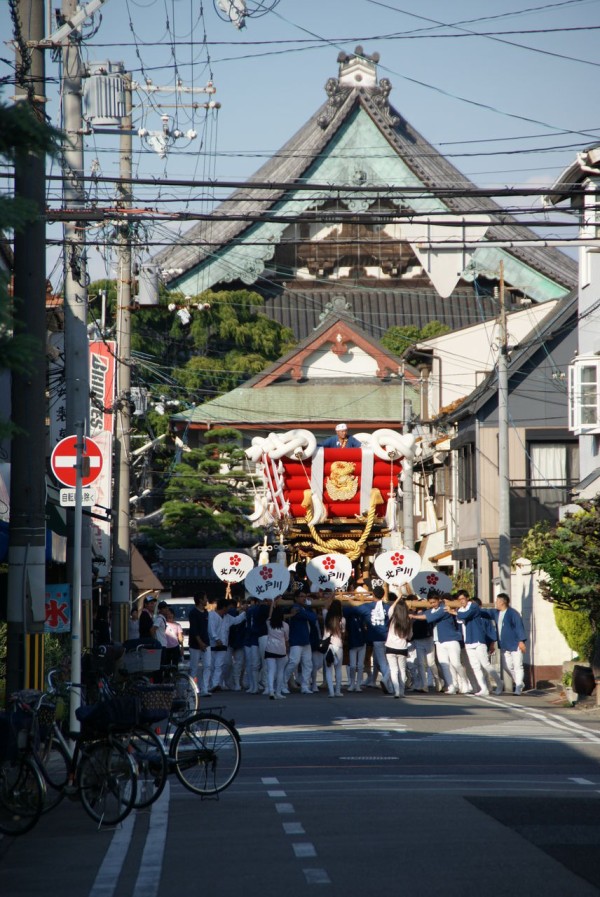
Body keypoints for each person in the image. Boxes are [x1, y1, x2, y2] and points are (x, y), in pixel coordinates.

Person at [411, 593, 471, 694]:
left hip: (451, 639)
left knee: (456, 663)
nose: (433, 604)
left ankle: (466, 683)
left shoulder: (444, 609)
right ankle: (452, 686)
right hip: (439, 641)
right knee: (444, 665)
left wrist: (413, 616)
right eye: (430, 603)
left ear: (439, 600)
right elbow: (427, 614)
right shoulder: (431, 611)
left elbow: (426, 617)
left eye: (434, 602)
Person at [448, 590, 502, 696]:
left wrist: (453, 612)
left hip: (478, 639)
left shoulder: (473, 606)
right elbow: (461, 617)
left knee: (485, 664)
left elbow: (465, 615)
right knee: (475, 666)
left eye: (463, 599)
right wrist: (455, 611)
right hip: (468, 640)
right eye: (459, 600)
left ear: (467, 598)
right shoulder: (461, 609)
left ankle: (499, 683)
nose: (461, 601)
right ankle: (483, 688)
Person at [352, 585, 393, 693]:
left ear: (373, 595)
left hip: (377, 638)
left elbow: (352, 609)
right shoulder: (387, 607)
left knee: (383, 663)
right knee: (384, 661)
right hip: (388, 637)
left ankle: (388, 683)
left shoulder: (367, 606)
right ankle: (378, 681)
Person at [208, 597, 247, 692]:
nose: (229, 610)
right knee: (211, 665)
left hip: (224, 644)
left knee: (219, 665)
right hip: (213, 644)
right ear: (224, 607)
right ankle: (211, 684)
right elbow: (211, 629)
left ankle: (216, 684)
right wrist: (216, 638)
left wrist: (244, 612)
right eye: (228, 608)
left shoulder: (227, 617)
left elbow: (237, 620)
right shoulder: (212, 615)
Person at [492, 592, 527, 695]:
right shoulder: (496, 613)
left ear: (504, 602)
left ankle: (518, 688)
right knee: (507, 666)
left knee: (518, 666)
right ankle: (519, 682)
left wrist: (521, 641)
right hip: (504, 645)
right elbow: (484, 612)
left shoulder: (513, 613)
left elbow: (519, 627)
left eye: (498, 601)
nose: (496, 603)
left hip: (515, 644)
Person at [283, 592, 318, 694]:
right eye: (302, 596)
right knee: (293, 662)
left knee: (308, 664)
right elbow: (312, 617)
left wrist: (308, 610)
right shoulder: (295, 608)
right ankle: (283, 684)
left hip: (306, 640)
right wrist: (308, 610)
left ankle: (305, 686)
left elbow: (313, 617)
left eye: (305, 596)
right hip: (296, 640)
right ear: (296, 598)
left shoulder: (304, 608)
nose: (304, 598)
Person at [385, 596, 413, 698]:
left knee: (394, 670)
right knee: (402, 669)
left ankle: (396, 691)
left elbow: (391, 608)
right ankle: (402, 691)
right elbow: (410, 636)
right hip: (402, 648)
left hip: (390, 647)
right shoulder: (408, 621)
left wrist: (398, 599)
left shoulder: (392, 618)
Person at [265, 598, 289, 699]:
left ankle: (271, 691)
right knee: (280, 671)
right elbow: (287, 639)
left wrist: (272, 604)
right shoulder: (285, 625)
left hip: (269, 649)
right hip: (281, 650)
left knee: (271, 671)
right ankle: (278, 692)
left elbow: (270, 615)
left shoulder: (269, 623)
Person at [188, 594, 211, 696]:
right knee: (194, 667)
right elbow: (194, 629)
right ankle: (192, 689)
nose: (207, 600)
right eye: (205, 598)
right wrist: (200, 642)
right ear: (200, 600)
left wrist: (205, 642)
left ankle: (204, 689)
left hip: (206, 643)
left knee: (207, 666)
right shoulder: (193, 613)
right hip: (195, 644)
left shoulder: (206, 612)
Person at [322, 597, 346, 697]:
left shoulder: (326, 615)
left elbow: (324, 606)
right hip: (339, 645)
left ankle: (331, 692)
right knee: (338, 669)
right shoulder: (342, 619)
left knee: (328, 669)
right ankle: (338, 691)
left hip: (328, 645)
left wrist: (331, 597)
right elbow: (343, 632)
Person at [344, 603, 367, 691]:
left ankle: (358, 684)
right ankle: (352, 683)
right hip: (352, 641)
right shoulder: (349, 614)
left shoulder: (362, 615)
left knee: (360, 665)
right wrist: (357, 607)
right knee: (353, 665)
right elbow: (345, 611)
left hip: (362, 641)